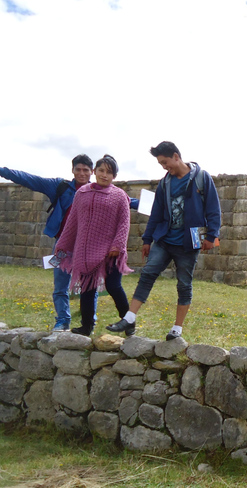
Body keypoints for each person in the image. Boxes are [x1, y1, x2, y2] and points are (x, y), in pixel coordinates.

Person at [107, 141, 221, 340]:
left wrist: (212, 236)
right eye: (161, 164)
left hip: (188, 243)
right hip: (164, 239)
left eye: (165, 162)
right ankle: (130, 317)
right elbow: (156, 213)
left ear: (176, 156)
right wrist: (147, 239)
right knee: (148, 274)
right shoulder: (165, 183)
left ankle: (177, 329)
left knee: (184, 284)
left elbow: (213, 208)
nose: (164, 166)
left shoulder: (202, 178)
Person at [0, 155, 97, 331]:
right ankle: (62, 320)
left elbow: (125, 201)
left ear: (92, 172)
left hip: (88, 246)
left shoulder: (99, 191)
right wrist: (3, 171)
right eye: (78, 169)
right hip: (63, 245)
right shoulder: (60, 187)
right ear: (72, 170)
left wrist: (155, 205)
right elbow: (28, 179)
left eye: (86, 170)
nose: (82, 173)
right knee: (60, 286)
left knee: (89, 287)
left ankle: (89, 321)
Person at [53, 155, 133, 336]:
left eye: (109, 172)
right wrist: (63, 244)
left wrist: (118, 245)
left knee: (113, 286)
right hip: (86, 249)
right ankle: (86, 326)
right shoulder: (81, 194)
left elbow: (124, 223)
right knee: (87, 288)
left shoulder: (120, 196)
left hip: (111, 251)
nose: (105, 175)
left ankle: (128, 321)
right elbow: (73, 221)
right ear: (95, 172)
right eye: (102, 171)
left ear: (114, 176)